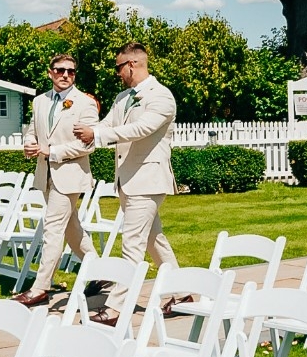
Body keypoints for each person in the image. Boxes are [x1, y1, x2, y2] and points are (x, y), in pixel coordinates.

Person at [73, 42, 186, 325]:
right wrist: (86, 132)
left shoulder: (161, 96)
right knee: (153, 240)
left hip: (148, 180)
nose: (117, 73)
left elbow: (141, 129)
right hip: (127, 180)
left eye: (118, 67)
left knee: (132, 243)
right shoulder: (123, 97)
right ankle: (181, 294)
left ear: (132, 65)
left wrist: (96, 137)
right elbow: (108, 124)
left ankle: (116, 307)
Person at [12, 53, 99, 306]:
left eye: (71, 71)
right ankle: (102, 274)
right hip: (45, 174)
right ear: (50, 72)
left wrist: (54, 152)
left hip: (70, 176)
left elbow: (88, 144)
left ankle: (40, 288)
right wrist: (29, 143)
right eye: (60, 70)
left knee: (52, 229)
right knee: (72, 231)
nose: (65, 75)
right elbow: (32, 129)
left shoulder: (85, 103)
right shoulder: (40, 101)